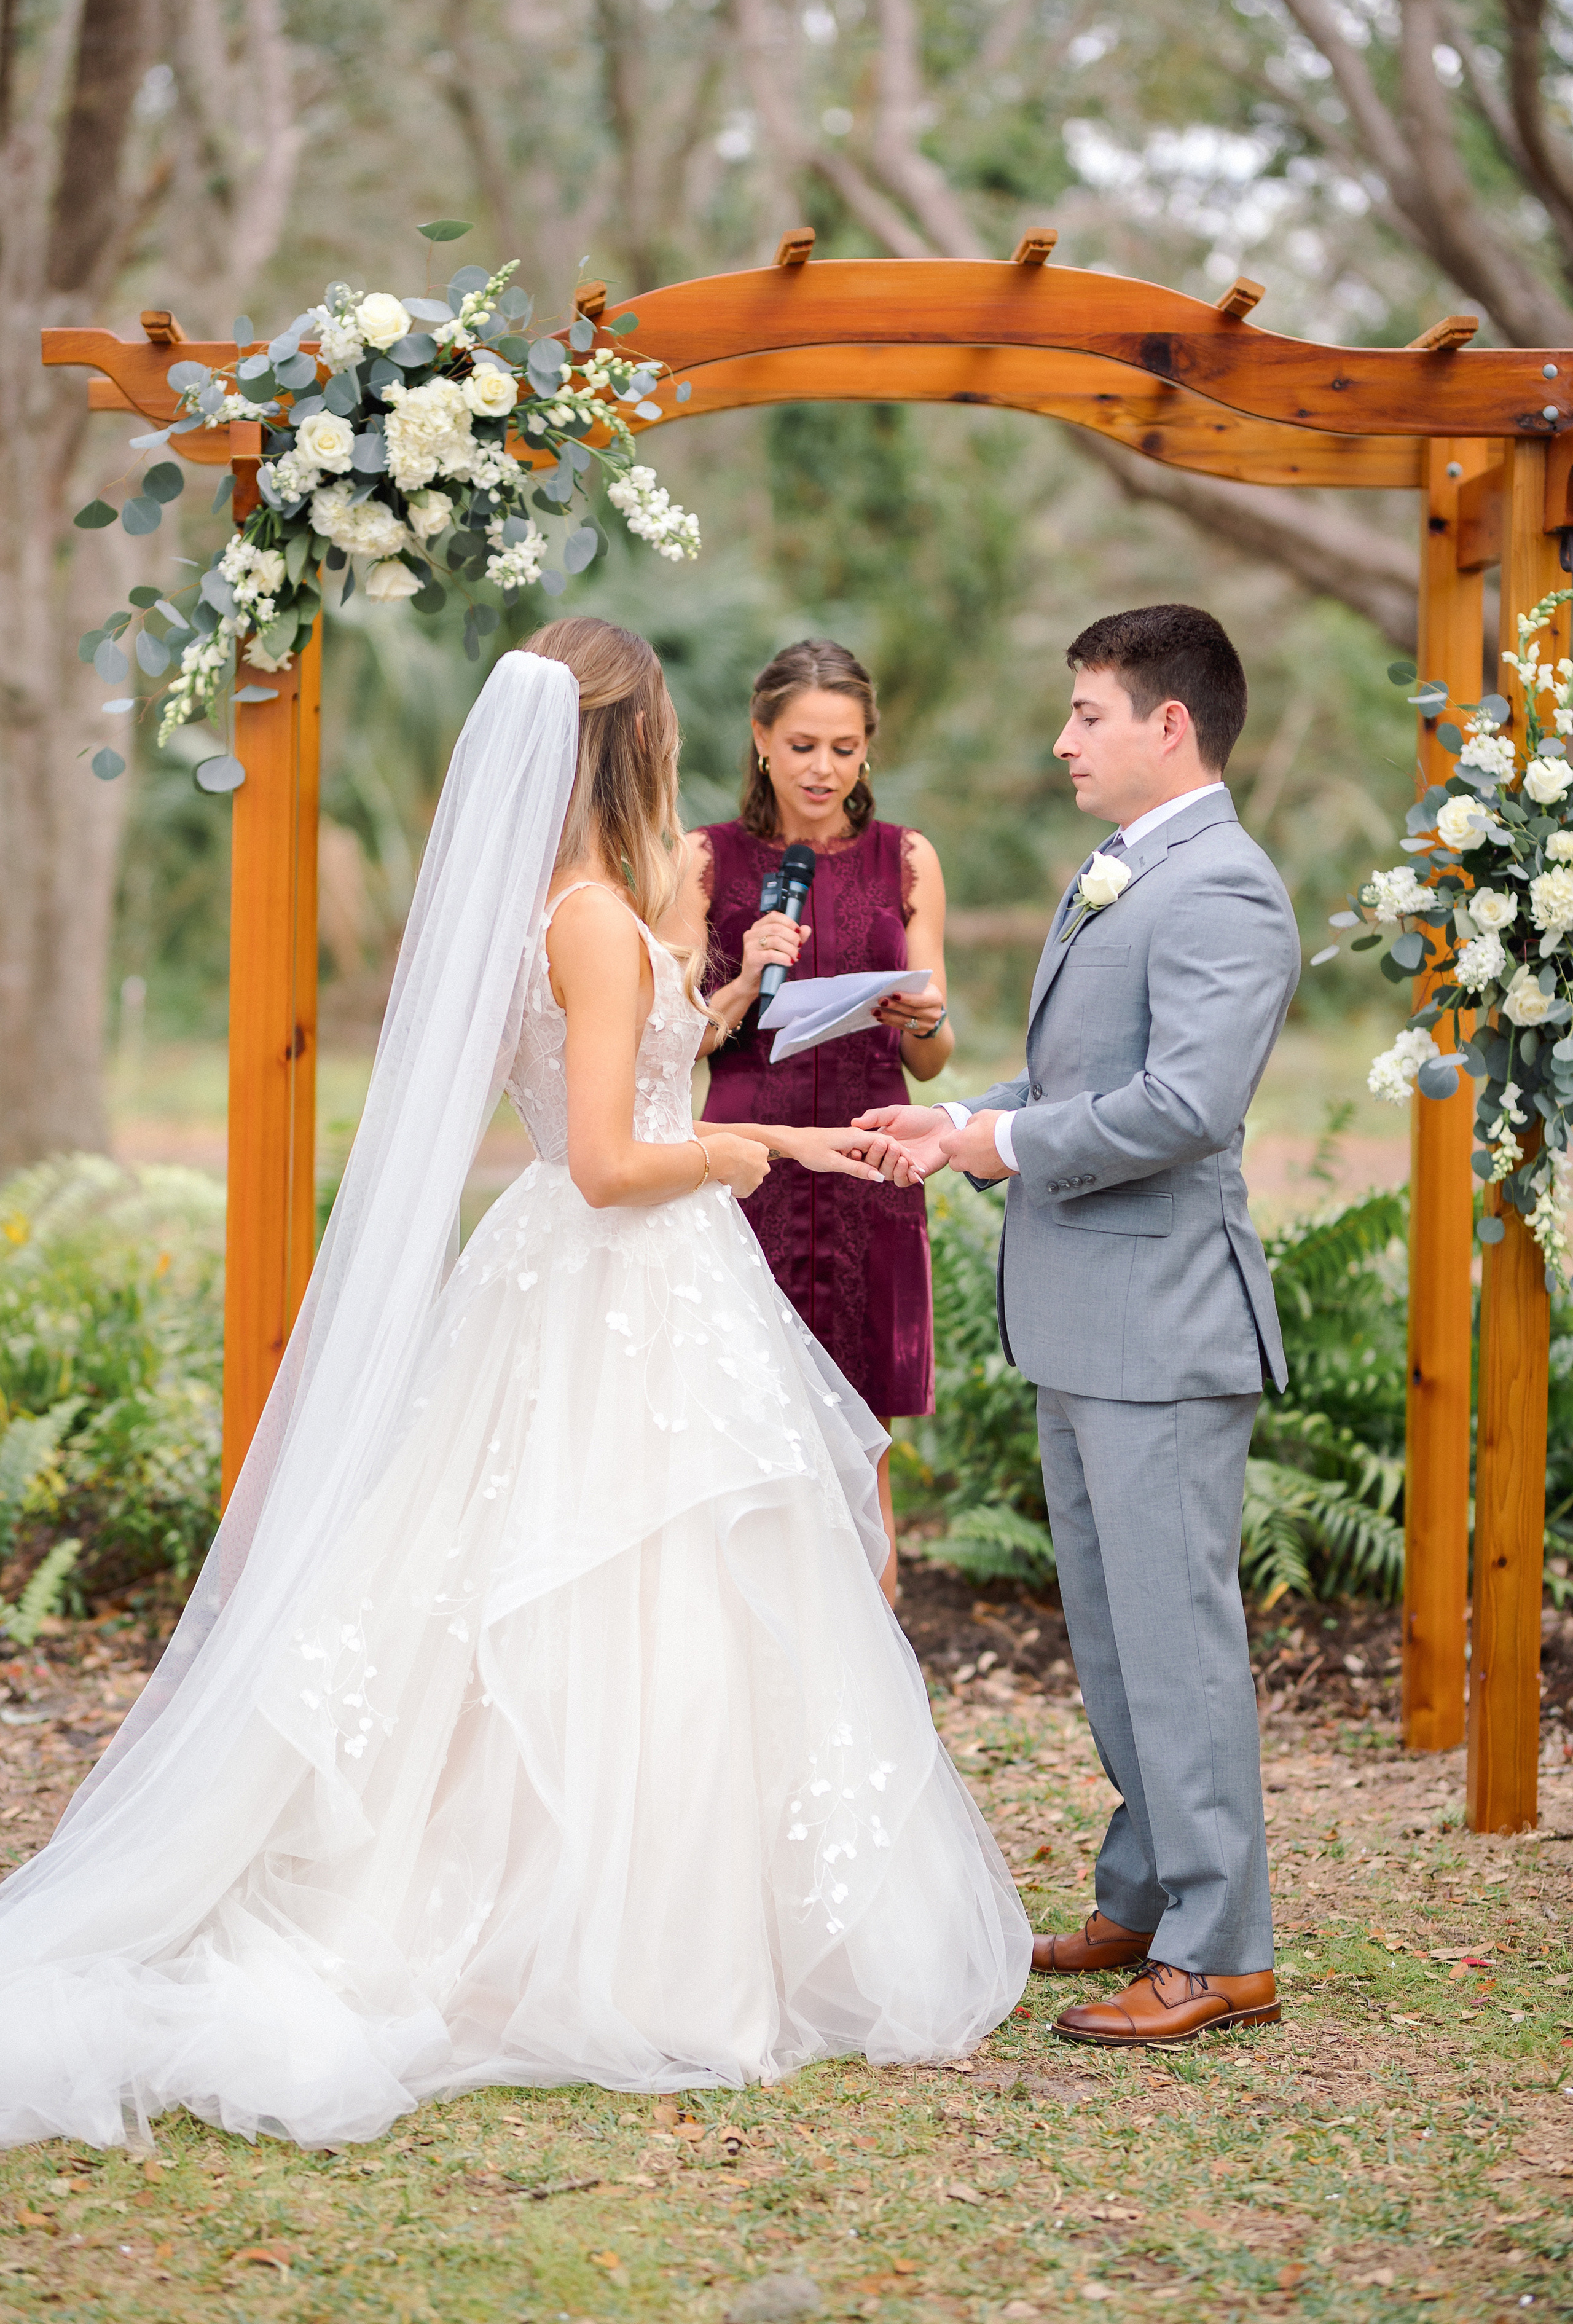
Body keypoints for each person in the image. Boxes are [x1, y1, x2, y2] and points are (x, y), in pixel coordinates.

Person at [0, 621, 1029, 2149]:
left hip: (598, 1273)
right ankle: (620, 1940)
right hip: (622, 1275)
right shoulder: (594, 922)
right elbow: (609, 1163)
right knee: (632, 1584)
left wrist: (787, 1135)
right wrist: (737, 1154)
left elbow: (628, 1103)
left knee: (605, 1581)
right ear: (634, 742)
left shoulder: (561, 906)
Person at [857, 605, 1300, 2051]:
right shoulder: (1126, 867)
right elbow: (1078, 1080)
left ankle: (1220, 1951)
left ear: (1168, 724)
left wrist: (999, 1144)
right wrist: (957, 1119)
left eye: (1086, 713)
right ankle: (1146, 1895)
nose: (1062, 741)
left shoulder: (1220, 887)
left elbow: (1183, 1108)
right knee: (1115, 1646)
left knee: (1174, 1644)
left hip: (1161, 1327)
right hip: (1086, 1323)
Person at [677, 641, 952, 1603]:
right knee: (739, 1414)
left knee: (865, 1423)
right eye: (801, 746)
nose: (823, 769)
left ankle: (872, 1637)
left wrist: (926, 1020)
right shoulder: (702, 860)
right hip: (747, 1161)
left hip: (872, 1157)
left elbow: (932, 1060)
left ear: (869, 746)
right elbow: (671, 1045)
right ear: (761, 739)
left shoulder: (908, 858)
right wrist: (743, 980)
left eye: (843, 747)